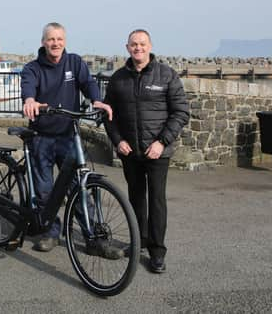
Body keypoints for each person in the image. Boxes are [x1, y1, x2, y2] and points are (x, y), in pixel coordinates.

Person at [21, 22, 121, 258]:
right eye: (50, 39)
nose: (55, 43)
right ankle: (51, 232)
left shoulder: (74, 62)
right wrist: (30, 100)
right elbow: (28, 88)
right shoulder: (32, 68)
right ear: (43, 42)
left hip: (68, 135)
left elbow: (88, 83)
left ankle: (92, 237)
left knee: (80, 187)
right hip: (41, 137)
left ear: (64, 41)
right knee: (45, 190)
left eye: (59, 39)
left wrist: (96, 100)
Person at [103, 29, 189, 273]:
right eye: (133, 44)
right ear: (127, 47)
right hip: (130, 151)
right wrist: (118, 140)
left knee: (157, 200)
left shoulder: (167, 75)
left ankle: (157, 251)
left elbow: (180, 112)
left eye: (142, 44)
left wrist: (162, 142)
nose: (137, 48)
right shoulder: (118, 78)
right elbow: (108, 115)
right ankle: (138, 241)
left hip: (157, 151)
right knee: (136, 198)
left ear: (150, 46)